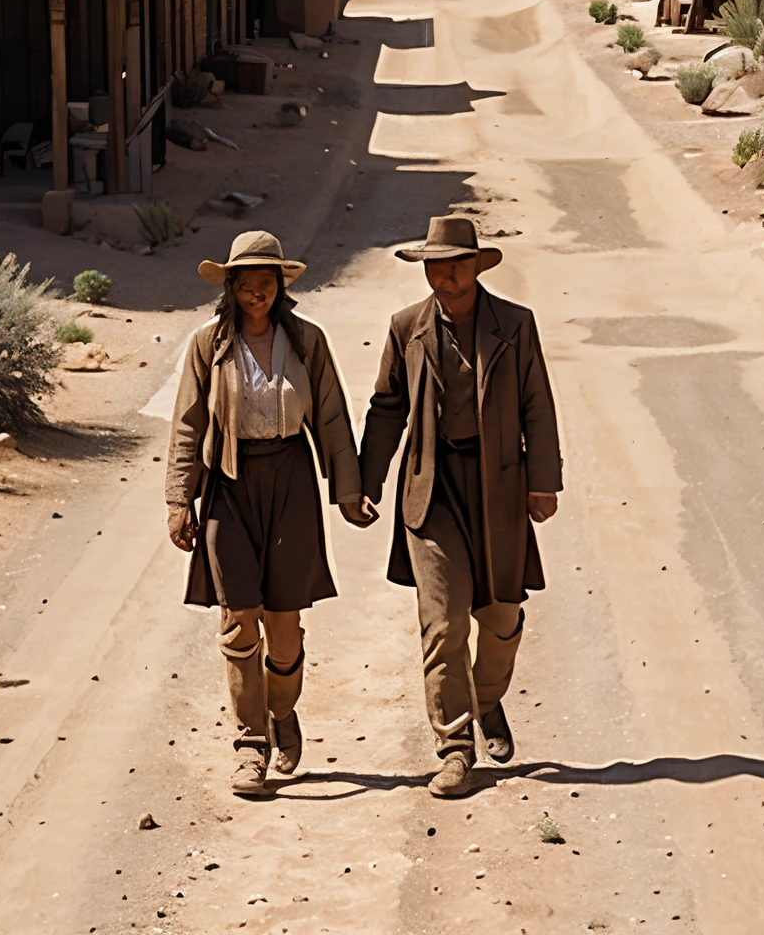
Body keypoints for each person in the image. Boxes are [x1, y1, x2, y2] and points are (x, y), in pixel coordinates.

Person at [358, 216, 562, 798]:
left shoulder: (515, 326)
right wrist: (364, 482)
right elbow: (386, 408)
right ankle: (454, 748)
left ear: (475, 266)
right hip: (433, 486)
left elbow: (537, 407)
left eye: (454, 265)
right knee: (443, 624)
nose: (443, 278)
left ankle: (487, 698)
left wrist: (543, 481)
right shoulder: (406, 329)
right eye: (434, 266)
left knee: (501, 618)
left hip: (498, 487)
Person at [165, 230, 371, 797]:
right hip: (230, 482)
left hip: (291, 479)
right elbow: (188, 424)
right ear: (230, 287)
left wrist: (349, 491)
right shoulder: (209, 345)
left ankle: (282, 709)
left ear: (281, 286)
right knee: (237, 621)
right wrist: (180, 499)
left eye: (266, 282)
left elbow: (330, 417)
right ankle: (250, 746)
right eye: (246, 283)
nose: (257, 292)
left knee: (284, 627)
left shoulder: (306, 341)